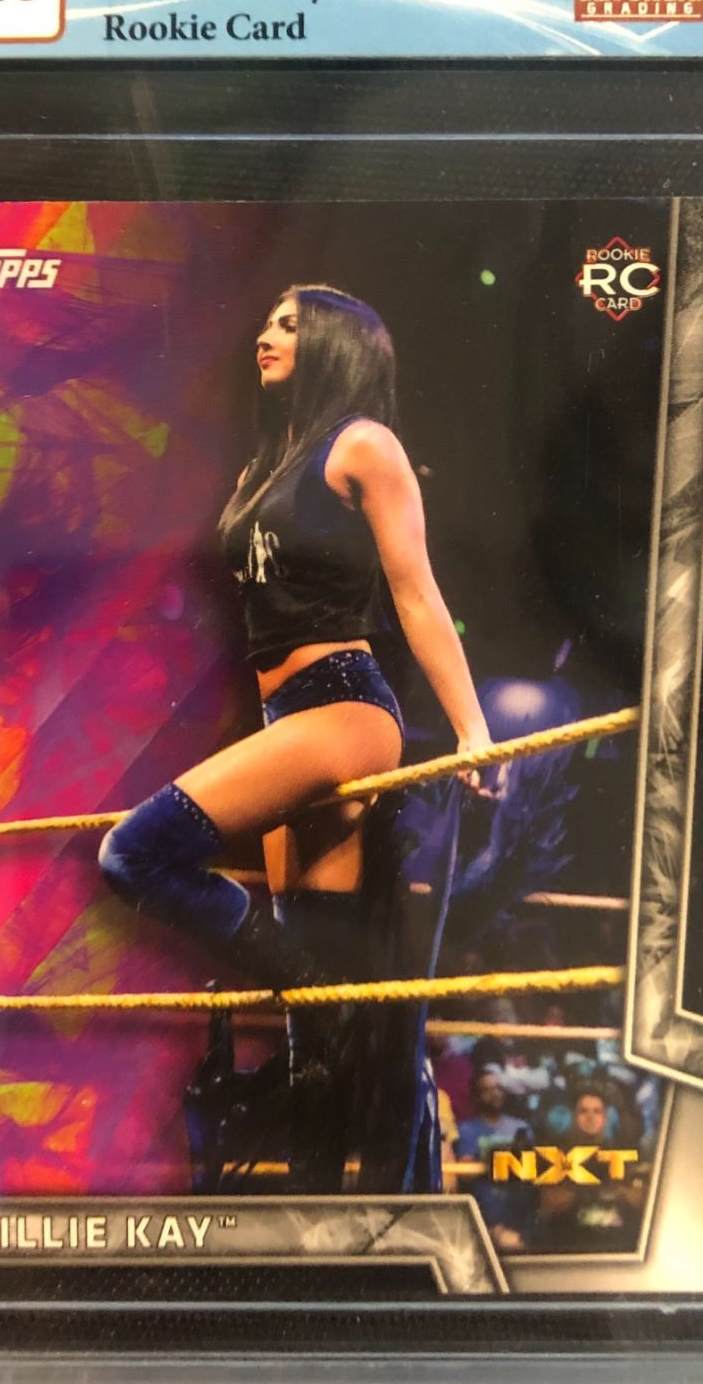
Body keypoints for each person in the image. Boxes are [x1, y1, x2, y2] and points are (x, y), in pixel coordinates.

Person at [98, 284, 493, 1185]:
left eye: (288, 323)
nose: (265, 334)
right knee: (311, 1033)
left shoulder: (363, 445)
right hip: (287, 715)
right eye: (267, 320)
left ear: (334, 343)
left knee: (133, 854)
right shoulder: (269, 462)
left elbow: (416, 593)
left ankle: (325, 999)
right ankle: (321, 1214)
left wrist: (470, 729)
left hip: (342, 706)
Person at [454, 1065, 535, 1251]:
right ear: (477, 1095)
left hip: (518, 1219)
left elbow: (531, 1172)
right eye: (487, 1089)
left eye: (498, 1088)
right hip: (482, 1219)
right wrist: (504, 1159)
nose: (495, 1094)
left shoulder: (521, 1128)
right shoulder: (466, 1130)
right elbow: (465, 1173)